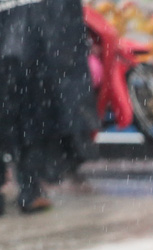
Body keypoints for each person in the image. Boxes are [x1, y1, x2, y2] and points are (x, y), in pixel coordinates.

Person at [0, 0, 97, 215]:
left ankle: (29, 189)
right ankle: (30, 190)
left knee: (19, 115)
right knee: (29, 117)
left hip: (21, 41)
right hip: (29, 43)